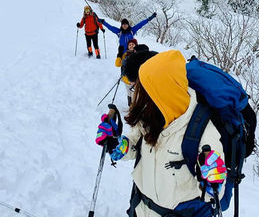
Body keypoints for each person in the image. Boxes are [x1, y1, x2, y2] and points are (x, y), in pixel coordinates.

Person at [95, 50, 227, 217]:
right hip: (140, 208)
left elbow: (214, 194)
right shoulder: (150, 114)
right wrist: (116, 143)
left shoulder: (204, 130)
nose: (138, 94)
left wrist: (214, 180)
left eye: (144, 89)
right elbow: (133, 143)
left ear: (164, 90)